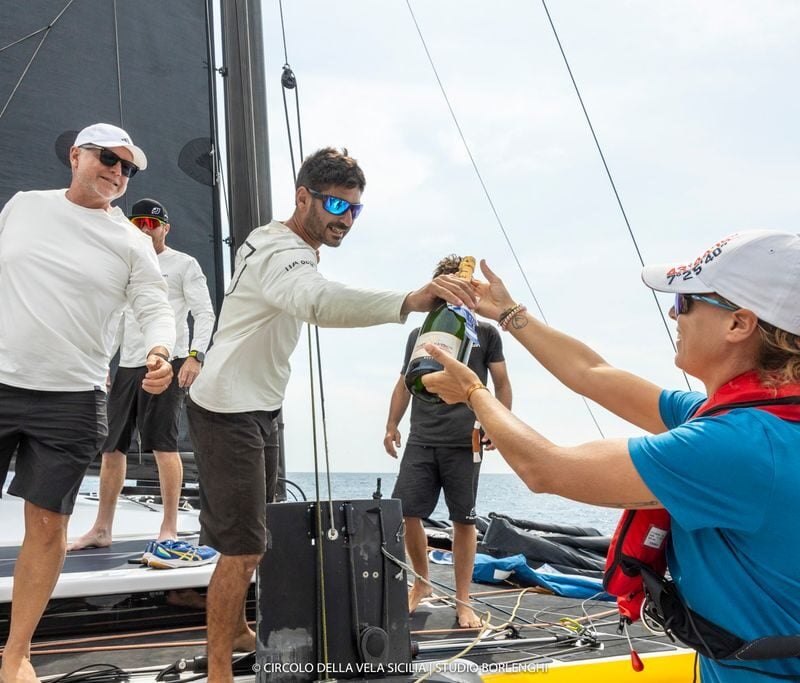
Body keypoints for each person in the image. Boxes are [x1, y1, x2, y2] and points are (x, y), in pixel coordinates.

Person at [422, 231, 800, 682]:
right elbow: (592, 373)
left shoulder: (737, 446)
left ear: (738, 324)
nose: (673, 313)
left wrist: (472, 392)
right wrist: (508, 312)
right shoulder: (760, 420)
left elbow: (546, 469)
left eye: (685, 302)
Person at [186, 147, 478, 682]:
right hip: (229, 408)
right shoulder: (282, 252)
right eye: (335, 205)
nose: (345, 218)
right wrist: (409, 300)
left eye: (354, 208)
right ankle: (219, 672)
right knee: (243, 548)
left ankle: (236, 630)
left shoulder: (277, 243)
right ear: (303, 197)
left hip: (258, 407)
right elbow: (316, 302)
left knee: (256, 537)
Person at [0, 123, 175, 683]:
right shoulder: (24, 206)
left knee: (47, 525)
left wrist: (160, 351)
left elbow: (155, 305)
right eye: (108, 158)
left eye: (128, 168)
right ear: (76, 155)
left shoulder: (130, 241)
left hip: (72, 398)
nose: (118, 172)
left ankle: (16, 653)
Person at [68, 198, 217, 568]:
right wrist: (104, 362)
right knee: (111, 447)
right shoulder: (127, 264)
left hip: (168, 360)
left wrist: (196, 356)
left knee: (163, 444)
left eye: (153, 223)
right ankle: (102, 528)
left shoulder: (184, 264)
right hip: (127, 365)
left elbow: (204, 312)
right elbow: (118, 319)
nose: (146, 229)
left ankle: (169, 528)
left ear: (166, 228)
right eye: (139, 223)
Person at [383, 254, 512, 629]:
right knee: (407, 513)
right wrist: (391, 424)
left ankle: (463, 601)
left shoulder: (486, 334)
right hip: (422, 439)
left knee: (463, 520)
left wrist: (498, 425)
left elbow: (502, 383)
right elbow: (404, 382)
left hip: (465, 440)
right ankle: (421, 584)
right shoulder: (420, 334)